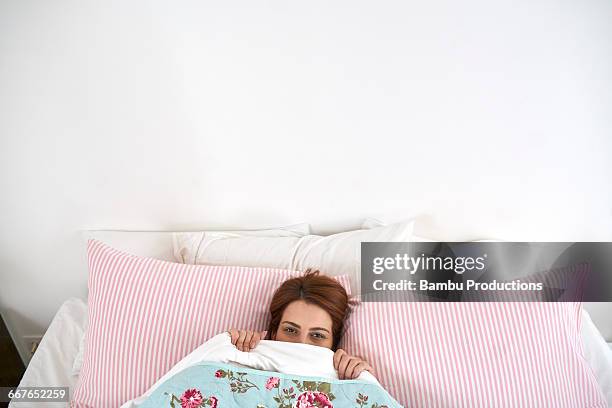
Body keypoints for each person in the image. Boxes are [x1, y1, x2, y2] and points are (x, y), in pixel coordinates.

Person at [227, 269, 374, 380]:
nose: (301, 344)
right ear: (273, 333)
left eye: (317, 335)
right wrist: (231, 345)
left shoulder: (349, 377)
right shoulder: (241, 356)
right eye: (290, 330)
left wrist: (362, 381)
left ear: (333, 343)